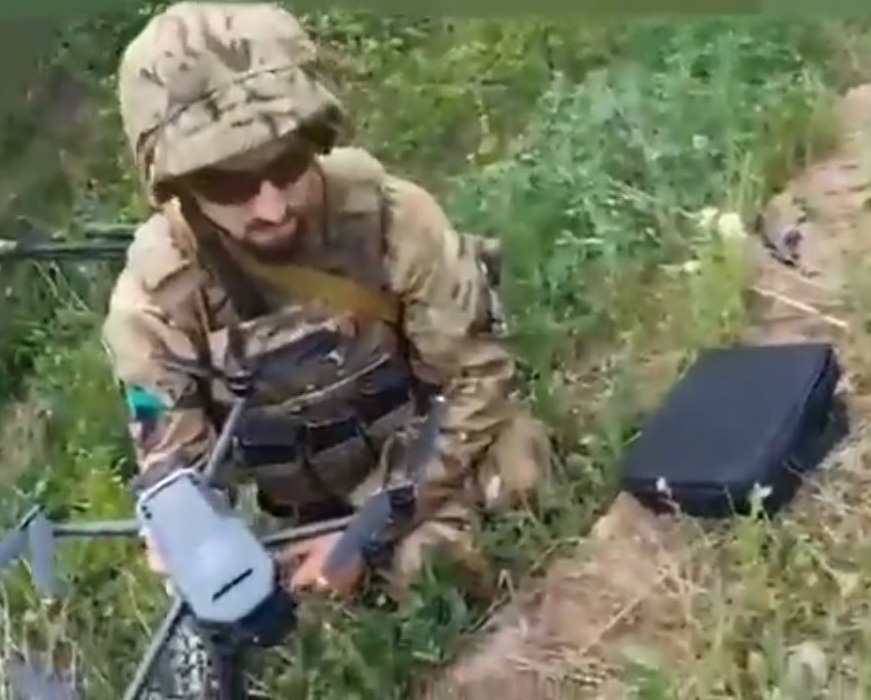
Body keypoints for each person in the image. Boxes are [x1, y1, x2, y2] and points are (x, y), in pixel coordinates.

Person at [102, 0, 552, 602]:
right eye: (228, 183)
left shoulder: (390, 218)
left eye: (287, 165)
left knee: (511, 478)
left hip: (423, 465)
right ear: (178, 190)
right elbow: (179, 468)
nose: (271, 206)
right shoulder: (154, 305)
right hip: (300, 523)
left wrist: (371, 528)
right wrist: (187, 526)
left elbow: (475, 380)